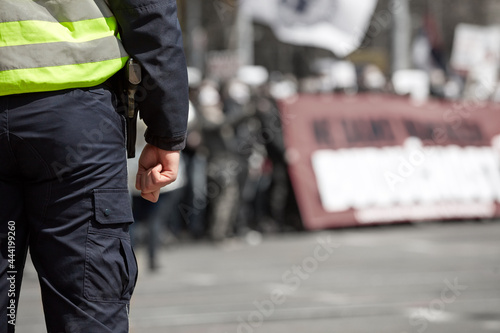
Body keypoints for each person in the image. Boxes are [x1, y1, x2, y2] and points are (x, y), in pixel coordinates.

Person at [0, 0, 189, 332]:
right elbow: (147, 9)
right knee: (89, 308)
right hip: (74, 111)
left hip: (74, 114)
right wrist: (166, 131)